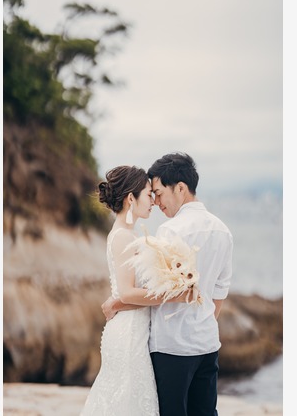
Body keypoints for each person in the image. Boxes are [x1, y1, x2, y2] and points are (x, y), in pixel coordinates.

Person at [101, 152, 233, 416]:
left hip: (172, 348)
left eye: (159, 193)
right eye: (152, 195)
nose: (157, 202)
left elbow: (159, 291)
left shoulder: (170, 231)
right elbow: (219, 293)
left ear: (181, 188)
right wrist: (202, 324)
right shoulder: (223, 231)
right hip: (207, 344)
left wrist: (118, 302)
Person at [80, 165, 191, 416]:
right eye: (148, 194)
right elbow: (127, 293)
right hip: (128, 333)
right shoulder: (123, 237)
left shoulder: (127, 234)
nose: (153, 201)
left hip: (135, 330)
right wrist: (173, 294)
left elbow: (126, 291)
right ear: (131, 198)